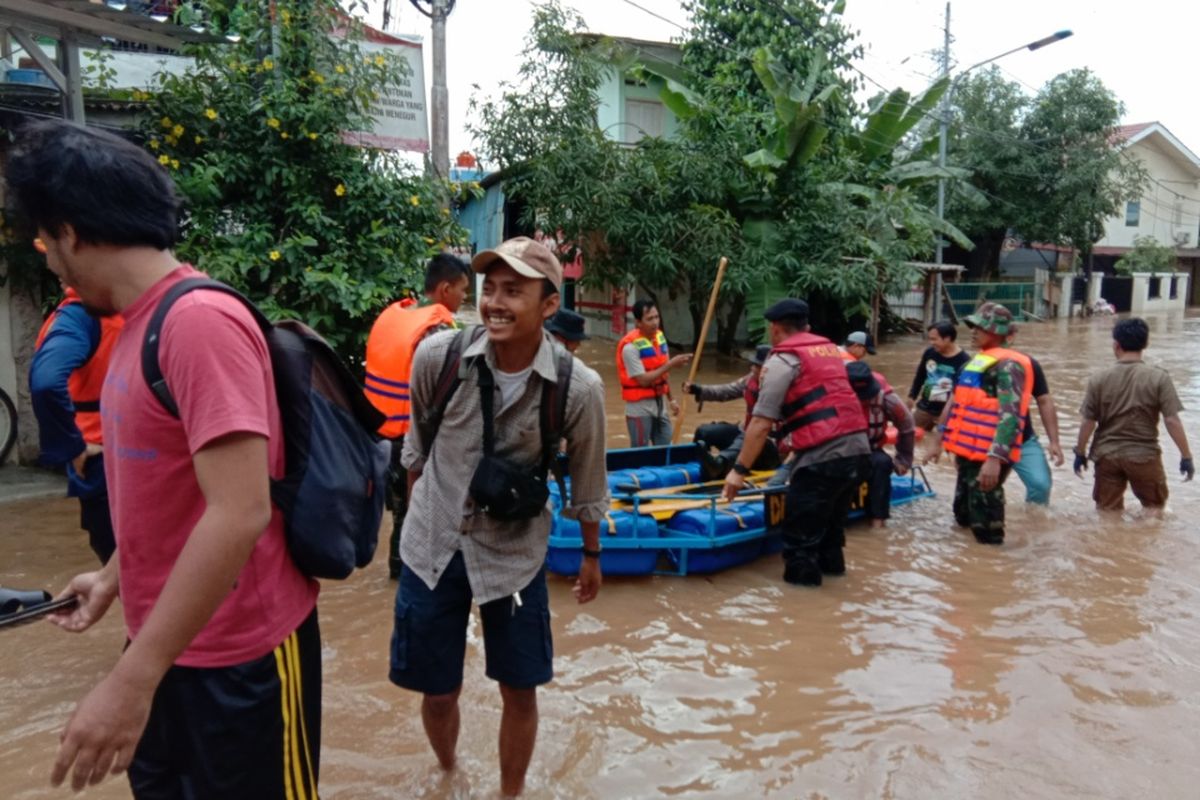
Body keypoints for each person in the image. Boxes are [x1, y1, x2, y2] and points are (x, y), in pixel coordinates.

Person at [7, 120, 320, 795]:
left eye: (45, 241)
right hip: (168, 648)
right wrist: (115, 577)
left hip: (243, 660)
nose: (50, 261)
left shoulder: (197, 323)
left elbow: (239, 512)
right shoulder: (131, 328)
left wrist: (128, 680)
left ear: (71, 230)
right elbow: (173, 497)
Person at [391, 236, 608, 798]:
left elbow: (587, 484)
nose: (496, 303)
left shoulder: (577, 389)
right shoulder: (437, 358)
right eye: (491, 289)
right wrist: (414, 526)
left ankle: (510, 793)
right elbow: (416, 452)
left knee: (520, 688)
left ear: (549, 304)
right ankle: (448, 774)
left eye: (516, 291)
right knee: (436, 690)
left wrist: (590, 556)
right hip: (433, 545)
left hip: (513, 555)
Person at [722, 299, 870, 586]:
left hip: (823, 459)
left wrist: (738, 471)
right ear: (807, 328)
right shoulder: (831, 351)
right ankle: (834, 612)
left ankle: (803, 611)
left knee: (800, 544)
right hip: (858, 452)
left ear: (775, 329)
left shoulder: (783, 360)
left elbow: (762, 422)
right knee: (831, 535)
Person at [365, 253, 471, 579]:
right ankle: (410, 578)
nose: (465, 297)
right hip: (411, 440)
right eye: (463, 290)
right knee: (416, 515)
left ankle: (397, 576)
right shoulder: (437, 330)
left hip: (379, 435)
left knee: (400, 513)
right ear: (444, 289)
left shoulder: (395, 314)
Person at [30, 275, 123, 563]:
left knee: (123, 565)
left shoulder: (78, 316)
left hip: (98, 457)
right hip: (143, 453)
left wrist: (71, 445)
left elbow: (47, 382)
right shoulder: (140, 310)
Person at [924, 303, 1033, 545]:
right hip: (966, 454)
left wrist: (994, 459)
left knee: (987, 530)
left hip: (987, 455)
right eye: (973, 327)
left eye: (980, 327)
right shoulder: (974, 363)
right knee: (962, 515)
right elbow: (953, 403)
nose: (973, 332)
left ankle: (991, 575)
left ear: (998, 331)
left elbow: (1010, 414)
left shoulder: (1008, 366)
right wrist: (938, 440)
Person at [1074, 317, 1193, 512]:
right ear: (1145, 344)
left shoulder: (1098, 379)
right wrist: (1186, 456)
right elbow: (1172, 420)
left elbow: (1088, 421)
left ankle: (1109, 543)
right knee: (1154, 510)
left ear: (1116, 345)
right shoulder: (1159, 377)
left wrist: (1080, 453)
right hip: (1144, 456)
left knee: (1107, 512)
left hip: (1107, 456)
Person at [684, 344, 780, 479]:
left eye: (758, 366)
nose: (753, 369)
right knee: (704, 432)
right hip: (747, 432)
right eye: (753, 365)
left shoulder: (781, 387)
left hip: (769, 445)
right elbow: (728, 390)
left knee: (747, 438)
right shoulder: (751, 378)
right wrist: (699, 390)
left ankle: (720, 464)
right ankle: (700, 467)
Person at [846, 361, 915, 528]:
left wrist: (904, 459)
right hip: (840, 451)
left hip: (871, 449)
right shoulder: (830, 393)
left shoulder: (887, 398)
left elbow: (907, 426)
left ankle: (878, 522)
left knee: (883, 464)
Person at [616, 299, 691, 446]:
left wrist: (672, 400)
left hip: (659, 403)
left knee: (666, 448)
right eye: (649, 319)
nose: (655, 322)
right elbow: (643, 380)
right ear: (638, 323)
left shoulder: (659, 337)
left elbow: (663, 374)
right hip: (639, 407)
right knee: (640, 453)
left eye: (656, 317)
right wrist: (671, 364)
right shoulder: (630, 347)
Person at [1009, 353, 1065, 505]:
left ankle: (1033, 524)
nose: (974, 333)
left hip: (1023, 439)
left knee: (1040, 485)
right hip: (983, 440)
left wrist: (1054, 442)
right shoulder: (974, 366)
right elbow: (957, 401)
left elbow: (1044, 400)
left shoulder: (1027, 364)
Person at [907, 320, 970, 432]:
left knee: (943, 443)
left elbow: (962, 391)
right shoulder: (930, 353)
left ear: (947, 339)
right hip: (924, 407)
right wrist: (912, 396)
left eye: (934, 339)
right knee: (909, 435)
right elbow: (920, 375)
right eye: (930, 339)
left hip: (947, 411)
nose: (931, 342)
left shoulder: (964, 360)